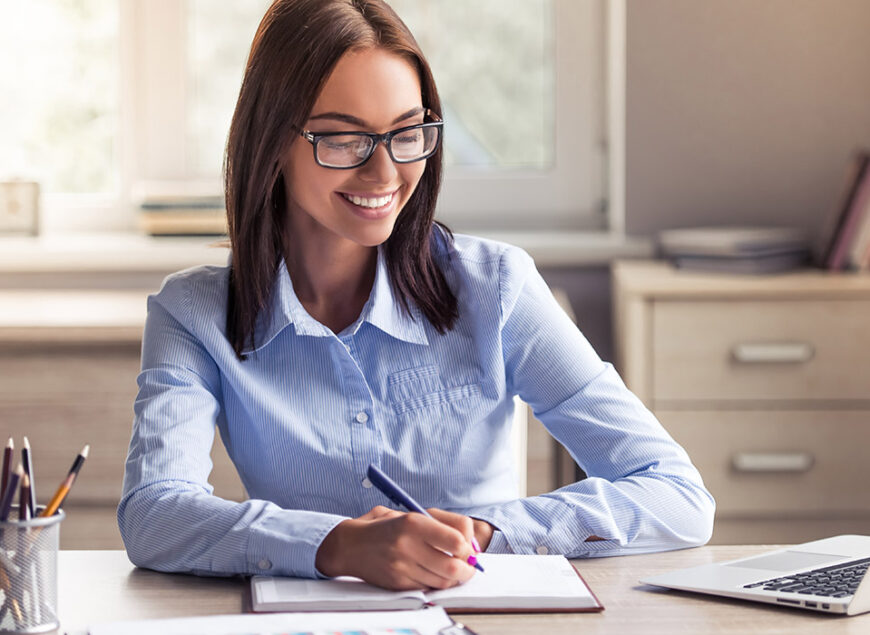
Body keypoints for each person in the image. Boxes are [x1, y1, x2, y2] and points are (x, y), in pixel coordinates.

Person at [119, 0, 714, 591]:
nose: (384, 174)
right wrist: (336, 545)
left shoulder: (496, 289)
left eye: (407, 134)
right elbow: (154, 513)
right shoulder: (192, 315)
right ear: (272, 140)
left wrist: (485, 532)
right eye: (345, 139)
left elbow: (676, 494)